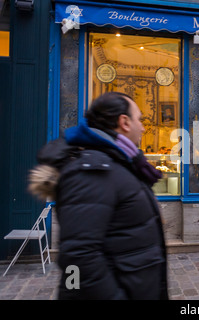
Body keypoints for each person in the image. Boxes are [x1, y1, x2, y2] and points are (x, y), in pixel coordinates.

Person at [28, 92, 167, 299]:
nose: (143, 127)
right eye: (140, 119)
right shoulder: (91, 171)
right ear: (124, 122)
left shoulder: (117, 163)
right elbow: (76, 260)